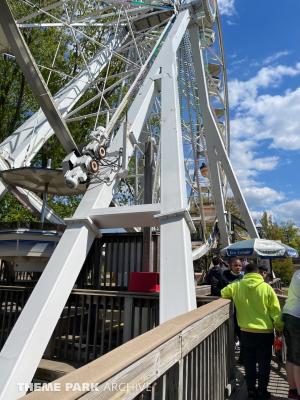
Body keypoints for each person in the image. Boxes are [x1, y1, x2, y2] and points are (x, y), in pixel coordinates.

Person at [221, 263, 283, 400]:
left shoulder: (237, 286)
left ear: (245, 272)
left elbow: (223, 293)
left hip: (245, 332)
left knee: (249, 363)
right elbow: (276, 311)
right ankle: (262, 391)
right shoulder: (266, 288)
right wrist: (279, 328)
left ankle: (250, 390)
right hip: (265, 333)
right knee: (264, 363)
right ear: (258, 273)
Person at [282, 269, 300, 400]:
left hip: (288, 314)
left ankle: (293, 390)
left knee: (291, 356)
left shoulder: (296, 273)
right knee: (298, 359)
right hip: (297, 317)